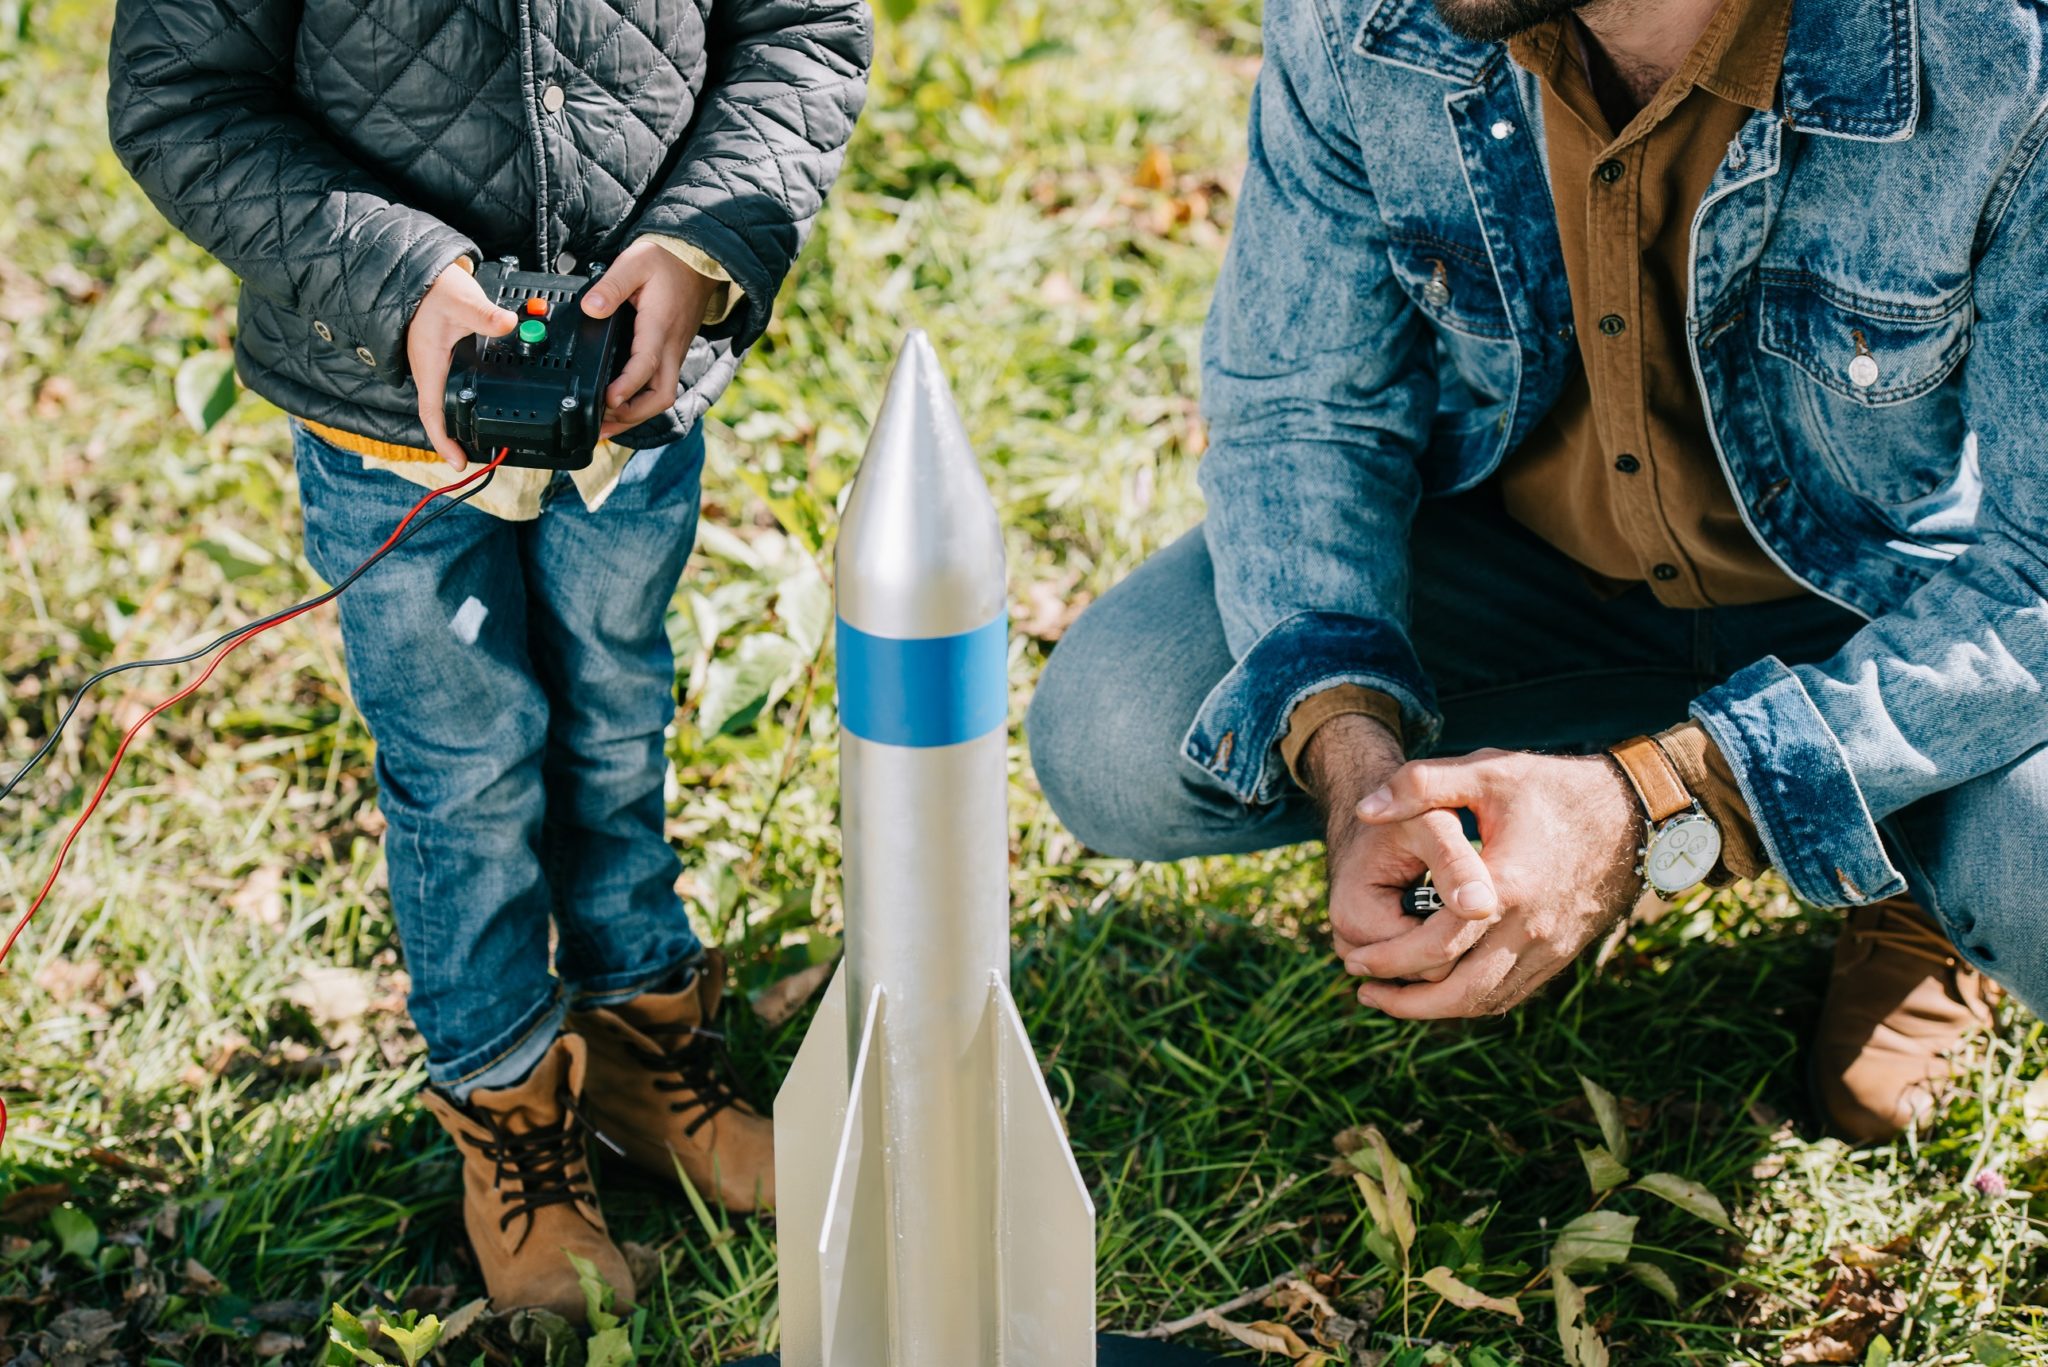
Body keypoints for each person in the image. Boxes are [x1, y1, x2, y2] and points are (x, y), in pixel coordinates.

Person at [1030, 0, 2046, 1144]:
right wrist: (1356, 764)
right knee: (1115, 728)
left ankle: (1890, 876)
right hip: (1538, 581)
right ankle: (1577, 804)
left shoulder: (2000, 52)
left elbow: (2041, 572)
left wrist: (1661, 799)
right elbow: (1300, 409)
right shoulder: (1367, 17)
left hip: (1887, 620)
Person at [106, 0, 870, 1319]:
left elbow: (805, 27)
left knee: (620, 711)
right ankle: (508, 1105)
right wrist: (403, 284)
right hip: (385, 411)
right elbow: (181, 98)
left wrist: (700, 242)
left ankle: (642, 1042)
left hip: (633, 388)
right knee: (462, 765)